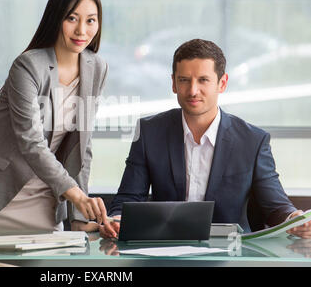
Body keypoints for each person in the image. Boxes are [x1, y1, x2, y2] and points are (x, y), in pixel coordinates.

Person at [101, 38, 311, 239]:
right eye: (184, 80)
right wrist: (117, 220)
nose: (193, 90)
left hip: (232, 255)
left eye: (203, 80)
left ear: (222, 83)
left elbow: (275, 206)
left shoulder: (252, 141)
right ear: (173, 83)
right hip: (164, 250)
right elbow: (128, 200)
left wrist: (295, 220)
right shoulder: (149, 132)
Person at [0, 0, 114, 235]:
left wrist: (80, 216)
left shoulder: (97, 67)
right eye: (72, 18)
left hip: (45, 194)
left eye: (91, 20)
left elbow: (83, 147)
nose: (82, 29)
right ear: (56, 18)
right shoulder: (28, 66)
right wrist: (77, 196)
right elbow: (31, 141)